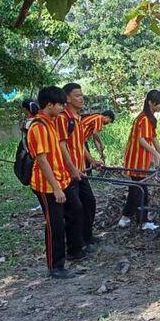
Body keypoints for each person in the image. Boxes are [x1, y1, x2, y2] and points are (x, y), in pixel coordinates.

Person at [27, 86, 75, 279]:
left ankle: (71, 252)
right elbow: (42, 160)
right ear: (49, 105)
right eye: (60, 104)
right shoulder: (38, 127)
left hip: (59, 180)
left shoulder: (51, 123)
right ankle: (55, 266)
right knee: (54, 225)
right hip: (46, 185)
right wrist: (55, 188)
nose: (63, 108)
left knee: (73, 211)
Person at [59, 83, 101, 251]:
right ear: (67, 98)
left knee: (89, 202)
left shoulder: (78, 118)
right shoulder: (63, 119)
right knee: (74, 209)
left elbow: (80, 144)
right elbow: (62, 146)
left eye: (82, 95)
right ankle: (75, 247)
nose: (81, 98)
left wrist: (91, 160)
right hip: (69, 172)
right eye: (77, 95)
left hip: (81, 170)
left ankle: (86, 236)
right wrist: (71, 169)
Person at [119, 91, 160, 231]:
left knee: (136, 189)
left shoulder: (148, 118)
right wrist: (155, 154)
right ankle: (142, 221)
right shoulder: (144, 118)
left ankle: (126, 218)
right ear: (151, 103)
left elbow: (153, 138)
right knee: (141, 191)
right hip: (136, 159)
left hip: (140, 159)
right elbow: (142, 140)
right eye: (159, 103)